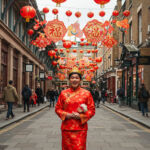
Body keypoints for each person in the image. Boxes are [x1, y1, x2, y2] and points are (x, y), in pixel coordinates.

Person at [55, 67, 95, 150]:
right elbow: (57, 108)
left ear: (80, 80)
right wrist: (67, 115)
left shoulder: (86, 93)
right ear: (69, 80)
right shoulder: (63, 93)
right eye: (72, 78)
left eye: (77, 78)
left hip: (81, 129)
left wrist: (81, 116)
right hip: (67, 129)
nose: (74, 80)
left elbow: (92, 110)